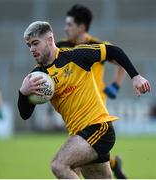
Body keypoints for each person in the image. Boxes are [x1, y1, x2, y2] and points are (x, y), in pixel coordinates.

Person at [18, 21, 151, 179]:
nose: (32, 49)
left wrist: (135, 76)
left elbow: (114, 51)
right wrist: (23, 93)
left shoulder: (76, 56)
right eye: (29, 45)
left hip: (98, 128)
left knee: (59, 165)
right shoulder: (37, 77)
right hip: (79, 136)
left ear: (49, 40)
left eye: (35, 43)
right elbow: (25, 114)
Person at [56, 4, 126, 178]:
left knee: (77, 156)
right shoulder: (62, 47)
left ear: (82, 27)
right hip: (74, 104)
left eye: (69, 24)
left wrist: (116, 85)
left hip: (96, 104)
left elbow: (121, 62)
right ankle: (114, 165)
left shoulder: (97, 46)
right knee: (87, 152)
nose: (65, 28)